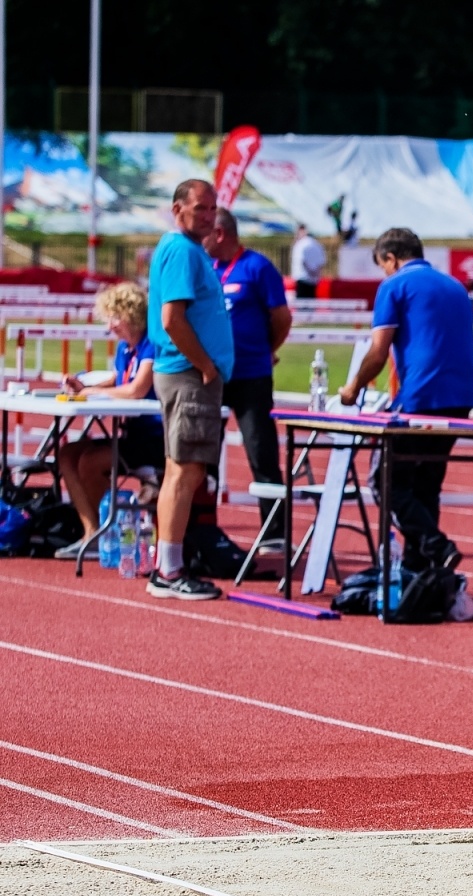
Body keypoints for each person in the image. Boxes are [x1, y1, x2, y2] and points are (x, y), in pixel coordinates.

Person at [337, 228, 473, 573]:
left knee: (386, 482)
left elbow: (378, 350)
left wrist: (353, 387)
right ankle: (421, 570)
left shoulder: (394, 285)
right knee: (427, 482)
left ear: (391, 258)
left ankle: (436, 547)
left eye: (383, 266)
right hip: (461, 396)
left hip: (422, 396)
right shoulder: (455, 287)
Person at [146, 179, 235, 600]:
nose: (209, 215)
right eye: (201, 208)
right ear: (177, 208)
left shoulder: (188, 249)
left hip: (187, 373)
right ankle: (169, 569)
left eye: (213, 208)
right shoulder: (181, 250)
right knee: (185, 472)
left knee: (181, 471)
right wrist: (205, 366)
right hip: (187, 374)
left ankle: (168, 563)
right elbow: (172, 319)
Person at [201, 207, 293, 547]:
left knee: (261, 452)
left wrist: (266, 348)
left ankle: (275, 534)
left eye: (206, 231)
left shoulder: (257, 267)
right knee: (205, 453)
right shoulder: (208, 268)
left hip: (252, 375)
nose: (202, 239)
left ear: (221, 233)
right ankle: (202, 526)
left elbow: (281, 317)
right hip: (213, 375)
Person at [52, 283, 163, 558]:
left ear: (132, 315)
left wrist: (92, 392)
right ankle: (91, 532)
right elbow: (118, 379)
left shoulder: (152, 343)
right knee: (68, 454)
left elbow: (136, 389)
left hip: (155, 437)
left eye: (115, 318)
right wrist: (83, 385)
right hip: (133, 434)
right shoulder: (126, 348)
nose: (110, 326)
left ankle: (108, 532)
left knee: (90, 461)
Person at [290, 224, 324, 300]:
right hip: (313, 279)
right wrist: (314, 272)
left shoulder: (301, 244)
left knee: (302, 307)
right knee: (311, 305)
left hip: (302, 278)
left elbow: (302, 260)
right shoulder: (317, 245)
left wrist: (310, 271)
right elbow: (321, 262)